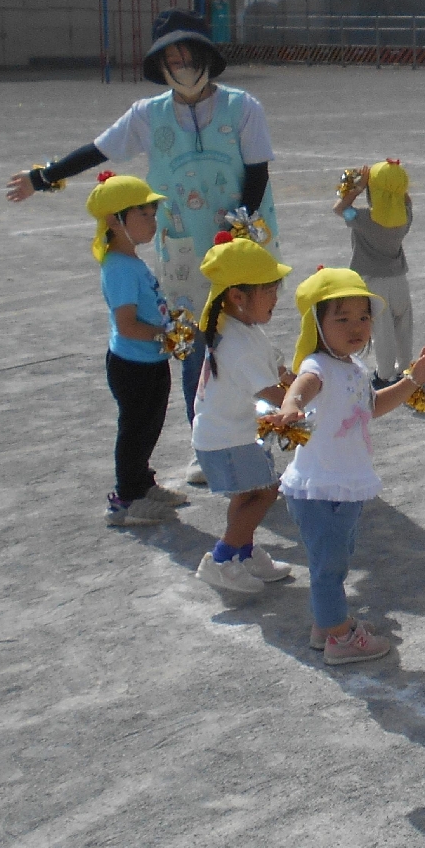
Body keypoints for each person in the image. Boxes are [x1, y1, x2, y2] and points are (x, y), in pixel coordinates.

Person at [6, 10, 279, 484]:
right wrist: (42, 177)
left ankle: (248, 430)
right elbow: (98, 150)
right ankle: (206, 441)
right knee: (195, 343)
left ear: (206, 57)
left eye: (189, 55)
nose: (182, 65)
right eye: (172, 58)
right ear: (161, 66)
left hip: (239, 244)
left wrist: (239, 230)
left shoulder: (243, 107)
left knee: (243, 338)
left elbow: (256, 172)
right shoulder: (147, 115)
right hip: (181, 249)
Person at [275, 267, 425, 666]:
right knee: (328, 567)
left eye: (364, 317)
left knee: (333, 559)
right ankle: (339, 637)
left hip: (343, 485)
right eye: (343, 318)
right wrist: (291, 405)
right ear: (318, 323)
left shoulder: (353, 369)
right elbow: (303, 386)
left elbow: (372, 407)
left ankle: (326, 625)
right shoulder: (317, 365)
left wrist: (411, 381)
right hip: (319, 489)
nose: (357, 327)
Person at [189, 232, 296, 595]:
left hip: (228, 435)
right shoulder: (237, 343)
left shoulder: (239, 328)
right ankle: (221, 559)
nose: (276, 298)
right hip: (228, 439)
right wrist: (312, 403)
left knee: (248, 494)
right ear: (237, 296)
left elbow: (279, 372)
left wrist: (303, 381)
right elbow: (276, 393)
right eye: (269, 290)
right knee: (265, 492)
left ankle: (245, 552)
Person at [88, 173, 185, 526]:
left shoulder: (131, 262)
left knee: (149, 426)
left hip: (150, 362)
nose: (152, 221)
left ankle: (143, 483)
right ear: (116, 220)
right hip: (133, 366)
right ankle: (126, 498)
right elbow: (127, 324)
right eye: (144, 214)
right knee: (135, 430)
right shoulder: (119, 268)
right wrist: (167, 338)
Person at [334, 158, 414, 385]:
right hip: (399, 278)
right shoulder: (404, 217)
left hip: (373, 281)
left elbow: (339, 208)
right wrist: (396, 180)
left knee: (383, 329)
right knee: (403, 325)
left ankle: (385, 373)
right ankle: (406, 368)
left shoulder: (363, 219)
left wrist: (358, 187)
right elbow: (405, 200)